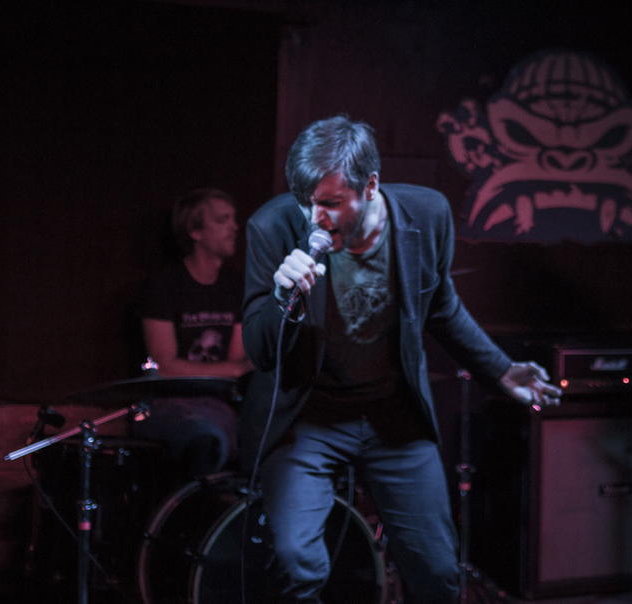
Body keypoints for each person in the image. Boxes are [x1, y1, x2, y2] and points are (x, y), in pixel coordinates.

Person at [240, 115, 561, 603]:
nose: (314, 218)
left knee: (437, 570)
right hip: (308, 418)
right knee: (296, 562)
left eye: (330, 203)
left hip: (392, 414)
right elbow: (261, 352)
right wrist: (284, 297)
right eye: (306, 202)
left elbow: (442, 307)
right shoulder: (272, 226)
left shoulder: (426, 215)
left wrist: (500, 368)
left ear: (370, 186)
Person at [138, 188, 253, 478]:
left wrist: (235, 370)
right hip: (169, 404)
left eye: (234, 219)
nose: (234, 227)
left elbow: (238, 360)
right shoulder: (164, 285)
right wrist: (233, 370)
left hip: (220, 403)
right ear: (195, 231)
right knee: (204, 436)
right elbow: (164, 367)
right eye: (222, 220)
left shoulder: (236, 286)